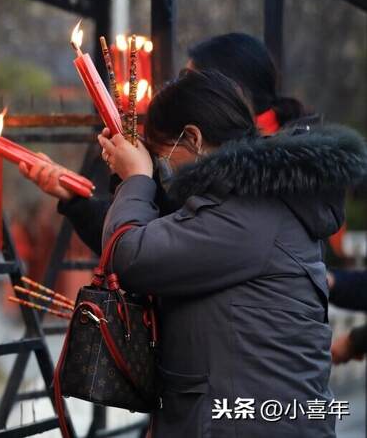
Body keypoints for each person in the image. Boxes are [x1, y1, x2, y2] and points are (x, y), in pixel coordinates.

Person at [22, 70, 367, 436]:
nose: (164, 170)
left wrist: (136, 179)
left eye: (161, 155)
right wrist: (86, 200)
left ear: (193, 137)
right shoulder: (246, 200)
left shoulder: (249, 210)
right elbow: (163, 242)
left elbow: (133, 256)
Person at [57, 32, 311, 253]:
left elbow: (136, 255)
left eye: (193, 84)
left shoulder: (252, 192)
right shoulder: (236, 174)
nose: (183, 91)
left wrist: (138, 177)